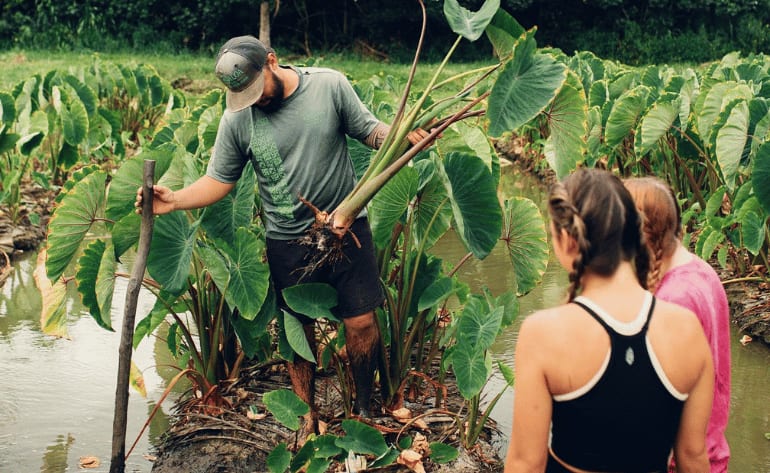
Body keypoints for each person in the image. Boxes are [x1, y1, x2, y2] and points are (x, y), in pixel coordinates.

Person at [135, 35, 429, 437]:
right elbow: (219, 179)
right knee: (298, 331)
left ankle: (362, 408)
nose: (253, 101)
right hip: (288, 239)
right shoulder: (236, 118)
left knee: (361, 321)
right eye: (244, 96)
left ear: (271, 62)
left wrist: (399, 138)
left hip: (348, 230)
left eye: (257, 90)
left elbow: (369, 130)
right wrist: (175, 201)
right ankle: (306, 418)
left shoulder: (328, 85)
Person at [504, 168, 713, 473]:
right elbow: (693, 458)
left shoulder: (543, 333)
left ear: (566, 238)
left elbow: (527, 463)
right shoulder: (687, 329)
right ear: (632, 233)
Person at [625, 176, 731, 472]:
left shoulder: (674, 299)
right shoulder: (701, 271)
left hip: (681, 461)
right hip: (708, 451)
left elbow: (660, 407)